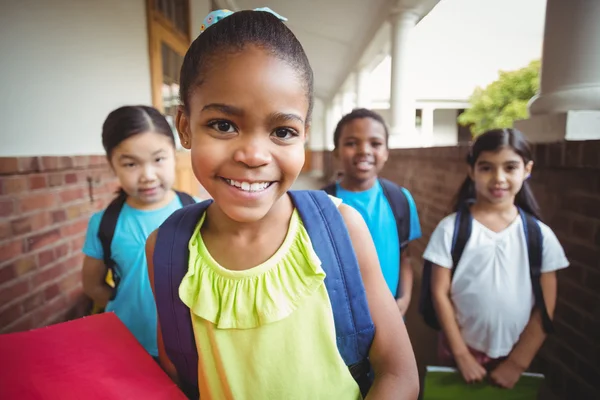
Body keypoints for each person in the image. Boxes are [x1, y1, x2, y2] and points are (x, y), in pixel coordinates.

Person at [145, 8, 419, 400]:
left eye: (282, 131)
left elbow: (399, 374)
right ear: (185, 127)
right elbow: (178, 370)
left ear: (304, 136)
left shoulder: (341, 229)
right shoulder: (167, 250)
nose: (254, 154)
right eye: (223, 125)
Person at [422, 128, 569, 389]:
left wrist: (517, 364)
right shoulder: (451, 229)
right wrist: (462, 355)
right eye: (487, 168)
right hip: (458, 355)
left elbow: (545, 309)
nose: (498, 178)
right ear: (471, 170)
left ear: (527, 169)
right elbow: (439, 294)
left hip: (516, 358)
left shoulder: (540, 237)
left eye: (510, 167)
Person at [82, 105, 196, 358]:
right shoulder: (104, 224)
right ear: (112, 165)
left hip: (189, 346)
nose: (147, 175)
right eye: (131, 164)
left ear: (174, 155)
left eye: (158, 159)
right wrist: (125, 300)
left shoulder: (198, 212)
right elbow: (92, 285)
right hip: (127, 345)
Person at [323, 108, 421, 316]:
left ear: (386, 152)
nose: (364, 150)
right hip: (337, 319)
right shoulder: (321, 205)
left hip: (389, 314)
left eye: (375, 144)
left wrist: (404, 299)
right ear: (336, 152)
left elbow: (405, 257)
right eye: (351, 143)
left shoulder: (400, 199)